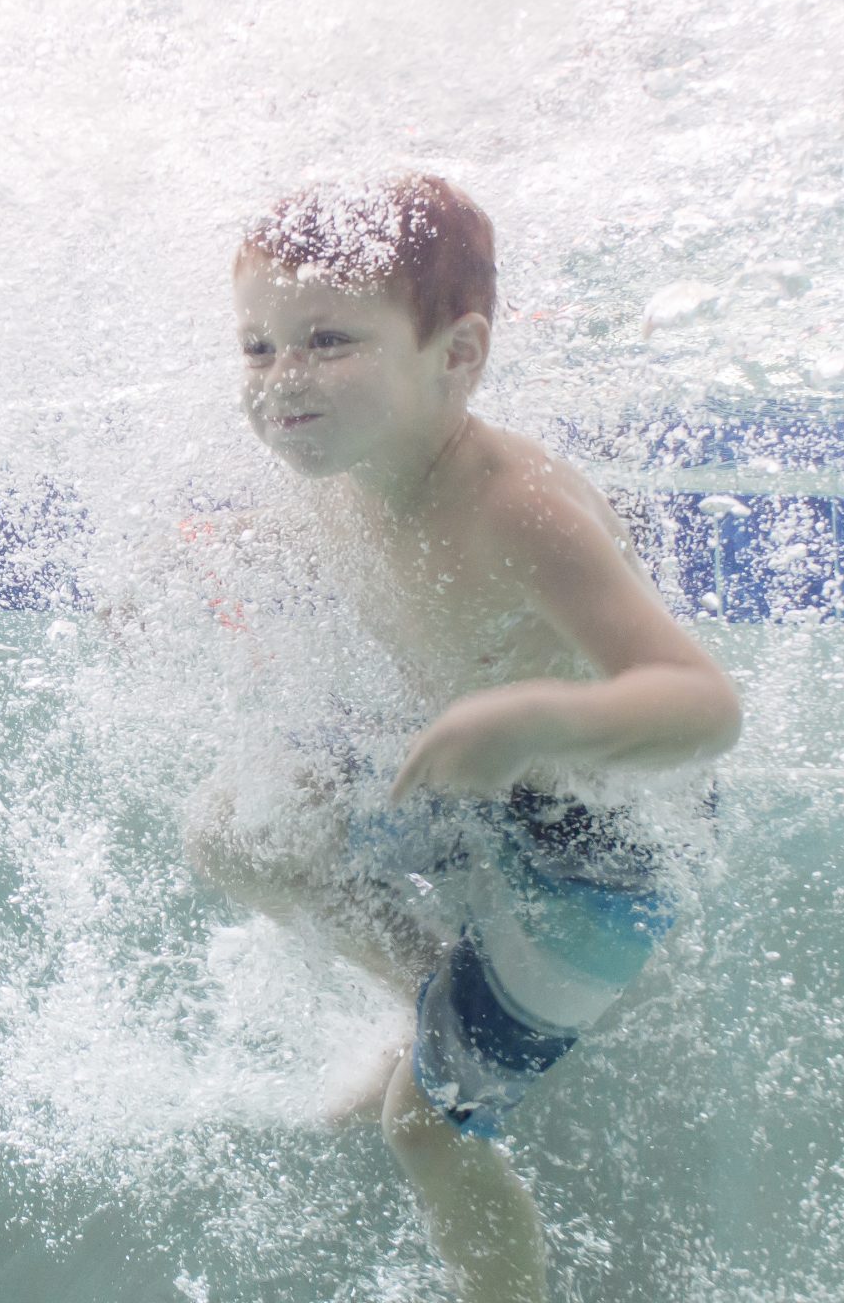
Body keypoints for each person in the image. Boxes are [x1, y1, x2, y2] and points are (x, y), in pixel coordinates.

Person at [183, 174, 744, 1303]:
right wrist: (201, 560)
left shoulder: (515, 508)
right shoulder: (347, 478)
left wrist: (540, 715)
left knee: (422, 1134)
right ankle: (431, 995)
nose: (281, 380)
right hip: (476, 774)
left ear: (458, 355)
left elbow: (703, 708)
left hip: (604, 849)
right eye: (256, 347)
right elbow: (331, 558)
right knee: (235, 833)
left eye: (326, 341)